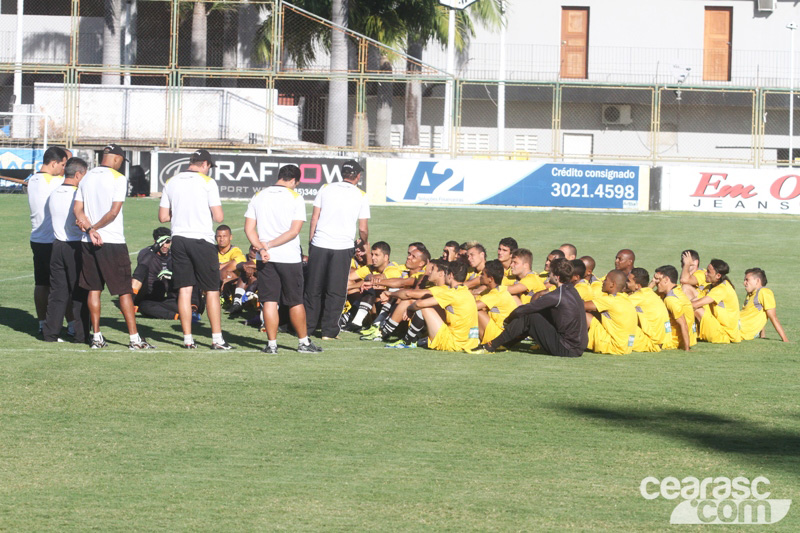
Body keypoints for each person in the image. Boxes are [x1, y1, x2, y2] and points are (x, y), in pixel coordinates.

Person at [74, 143, 154, 350]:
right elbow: (113, 212)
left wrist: (90, 229)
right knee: (124, 290)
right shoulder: (118, 178)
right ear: (117, 158)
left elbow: (77, 209)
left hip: (88, 241)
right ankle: (134, 339)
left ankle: (97, 336)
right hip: (112, 241)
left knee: (94, 288)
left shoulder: (87, 176)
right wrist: (96, 228)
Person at [244, 164, 322, 354]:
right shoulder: (296, 197)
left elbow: (248, 229)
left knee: (269, 301)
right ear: (295, 180)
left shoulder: (258, 195)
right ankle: (303, 342)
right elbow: (294, 231)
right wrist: (269, 245)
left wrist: (262, 248)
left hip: (265, 258)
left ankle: (271, 345)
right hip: (288, 257)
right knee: (295, 301)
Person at [159, 148, 231, 350]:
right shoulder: (208, 182)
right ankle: (217, 339)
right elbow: (219, 217)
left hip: (179, 239)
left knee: (184, 289)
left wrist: (181, 212)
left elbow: (163, 217)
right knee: (211, 290)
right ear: (205, 164)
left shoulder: (171, 181)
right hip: (201, 240)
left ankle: (187, 339)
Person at [304, 159, 370, 340]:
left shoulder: (325, 188)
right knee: (336, 290)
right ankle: (329, 331)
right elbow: (363, 228)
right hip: (342, 247)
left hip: (320, 244)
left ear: (342, 174)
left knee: (313, 288)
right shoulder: (361, 195)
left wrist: (312, 241)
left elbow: (314, 218)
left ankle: (307, 328)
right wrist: (364, 242)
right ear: (357, 176)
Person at [476, 258, 587, 357]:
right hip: (577, 347)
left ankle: (490, 346)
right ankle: (504, 344)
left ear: (557, 277)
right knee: (537, 315)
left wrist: (508, 320)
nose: (549, 275)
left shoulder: (557, 295)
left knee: (529, 316)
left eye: (551, 273)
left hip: (567, 349)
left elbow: (526, 309)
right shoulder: (572, 290)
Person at [42, 156, 89, 343]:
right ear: (78, 175)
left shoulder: (54, 192)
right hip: (74, 245)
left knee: (57, 292)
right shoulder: (76, 195)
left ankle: (50, 333)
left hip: (57, 245)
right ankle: (80, 334)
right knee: (79, 291)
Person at [393, 261, 480, 352]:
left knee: (425, 308)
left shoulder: (452, 293)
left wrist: (409, 309)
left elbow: (419, 304)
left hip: (453, 344)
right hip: (470, 343)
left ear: (450, 275)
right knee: (436, 306)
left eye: (446, 274)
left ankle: (407, 342)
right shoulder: (467, 292)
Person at [27, 146, 68, 334]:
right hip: (52, 240)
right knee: (60, 285)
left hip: (37, 238)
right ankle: (61, 325)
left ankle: (42, 322)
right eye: (63, 164)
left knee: (41, 283)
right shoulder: (54, 182)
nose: (64, 168)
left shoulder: (34, 179)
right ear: (53, 163)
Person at [131, 227, 203, 322]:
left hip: (177, 297)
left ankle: (193, 309)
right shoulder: (147, 253)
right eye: (162, 242)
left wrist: (172, 276)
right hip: (153, 296)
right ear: (155, 241)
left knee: (190, 277)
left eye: (168, 242)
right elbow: (139, 272)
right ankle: (180, 316)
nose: (165, 245)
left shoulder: (176, 254)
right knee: (144, 306)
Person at [584, 269, 638, 355]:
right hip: (626, 347)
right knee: (595, 314)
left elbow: (581, 306)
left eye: (605, 280)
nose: (602, 282)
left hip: (613, 346)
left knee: (583, 314)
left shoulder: (610, 301)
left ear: (612, 284)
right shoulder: (626, 299)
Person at [691, 259, 741, 344]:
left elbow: (695, 305)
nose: (705, 273)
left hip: (724, 334)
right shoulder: (712, 286)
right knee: (690, 294)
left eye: (708, 272)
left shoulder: (722, 289)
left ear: (718, 276)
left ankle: (686, 333)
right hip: (717, 326)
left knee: (696, 308)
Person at [652, 265, 695, 351]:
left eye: (658, 280)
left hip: (671, 342)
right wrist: (653, 282)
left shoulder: (671, 299)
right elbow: (646, 295)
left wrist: (687, 348)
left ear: (666, 280)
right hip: (680, 339)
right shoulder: (677, 290)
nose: (656, 283)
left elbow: (683, 323)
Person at [475, 259, 518, 344]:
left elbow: (471, 307)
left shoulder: (495, 295)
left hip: (500, 337)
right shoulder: (499, 290)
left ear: (490, 279)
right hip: (506, 335)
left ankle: (472, 338)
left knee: (476, 311)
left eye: (483, 274)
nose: (480, 276)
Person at [626, 267, 670, 353]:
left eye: (628, 281)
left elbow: (618, 306)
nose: (625, 283)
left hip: (650, 342)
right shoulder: (648, 293)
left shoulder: (639, 296)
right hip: (659, 341)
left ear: (637, 286)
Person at [740, 268, 788, 342]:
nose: (744, 283)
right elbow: (759, 313)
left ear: (757, 281)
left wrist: (785, 340)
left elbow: (773, 317)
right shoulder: (751, 294)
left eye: (747, 280)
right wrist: (762, 335)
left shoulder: (764, 292)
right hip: (738, 324)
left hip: (741, 328)